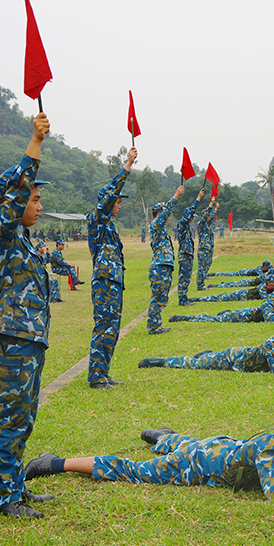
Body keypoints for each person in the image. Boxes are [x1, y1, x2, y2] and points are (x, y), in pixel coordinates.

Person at [23, 406, 274, 502]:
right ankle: (54, 462)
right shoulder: (273, 452)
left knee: (184, 441)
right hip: (197, 466)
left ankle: (160, 436)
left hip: (220, 446)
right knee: (133, 469)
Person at [0, 112, 53, 519]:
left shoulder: (23, 243)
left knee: (24, 419)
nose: (38, 205)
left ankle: (15, 487)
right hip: (10, 341)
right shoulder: (1, 233)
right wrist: (35, 143)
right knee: (10, 419)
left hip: (28, 341)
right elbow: (14, 196)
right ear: (14, 200)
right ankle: (3, 498)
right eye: (34, 198)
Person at [86, 147, 138, 389]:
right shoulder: (96, 220)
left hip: (114, 283)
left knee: (112, 328)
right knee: (104, 326)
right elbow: (108, 200)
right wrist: (127, 166)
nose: (119, 205)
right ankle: (95, 376)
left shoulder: (112, 228)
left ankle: (103, 372)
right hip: (104, 283)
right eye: (117, 201)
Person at [138, 322, 274, 372]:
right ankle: (159, 361)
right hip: (233, 359)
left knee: (204, 358)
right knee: (194, 364)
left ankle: (207, 355)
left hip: (241, 356)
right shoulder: (273, 345)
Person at [146, 185, 184, 335]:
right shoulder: (155, 226)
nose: (168, 217)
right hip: (159, 267)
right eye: (165, 215)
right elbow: (166, 211)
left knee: (162, 297)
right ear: (159, 214)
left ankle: (156, 324)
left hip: (164, 266)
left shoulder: (161, 229)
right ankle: (153, 327)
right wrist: (176, 195)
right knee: (158, 297)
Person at [169, 289, 274, 324]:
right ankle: (184, 318)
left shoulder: (273, 303)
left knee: (223, 315)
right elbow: (270, 320)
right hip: (240, 316)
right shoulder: (268, 305)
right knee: (212, 319)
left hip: (243, 312)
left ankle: (226, 312)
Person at [174, 187, 205, 306]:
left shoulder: (186, 226)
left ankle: (184, 297)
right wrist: (198, 198)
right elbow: (190, 211)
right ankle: (182, 300)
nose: (192, 219)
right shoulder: (182, 223)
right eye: (191, 216)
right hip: (184, 255)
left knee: (186, 278)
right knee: (184, 278)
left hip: (188, 255)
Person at [194, 198, 219, 291]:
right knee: (201, 267)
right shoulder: (201, 224)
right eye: (206, 216)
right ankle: (200, 285)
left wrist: (215, 209)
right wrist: (211, 203)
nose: (208, 217)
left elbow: (211, 216)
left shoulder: (207, 225)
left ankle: (203, 279)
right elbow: (207, 215)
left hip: (208, 248)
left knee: (207, 264)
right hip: (203, 249)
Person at [207, 259, 274, 278]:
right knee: (230, 274)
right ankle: (214, 274)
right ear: (265, 266)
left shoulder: (262, 268)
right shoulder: (259, 269)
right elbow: (262, 276)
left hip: (245, 271)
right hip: (244, 272)